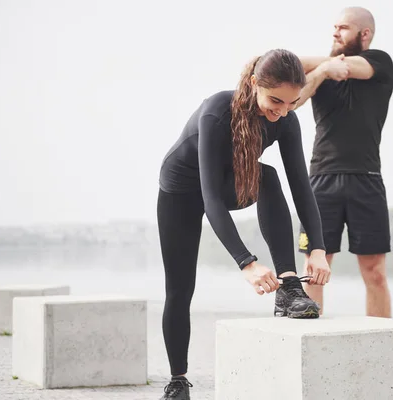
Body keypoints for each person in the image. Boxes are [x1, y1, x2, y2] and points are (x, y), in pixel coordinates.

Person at [156, 48, 331, 400]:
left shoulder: (285, 119)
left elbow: (301, 185)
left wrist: (318, 247)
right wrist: (246, 262)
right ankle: (178, 381)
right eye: (275, 100)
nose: (281, 110)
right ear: (254, 84)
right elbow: (210, 197)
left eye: (292, 103)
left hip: (234, 183)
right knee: (179, 289)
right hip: (182, 192)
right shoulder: (217, 112)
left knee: (268, 177)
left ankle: (288, 287)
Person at [294, 6, 393, 318]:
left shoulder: (379, 62)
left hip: (366, 178)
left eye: (344, 28)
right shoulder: (320, 74)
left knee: (374, 270)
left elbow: (353, 68)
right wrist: (323, 71)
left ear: (365, 34)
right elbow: (295, 97)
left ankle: (382, 344)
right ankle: (310, 339)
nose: (335, 33)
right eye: (334, 27)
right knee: (315, 266)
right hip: (321, 179)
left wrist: (327, 65)